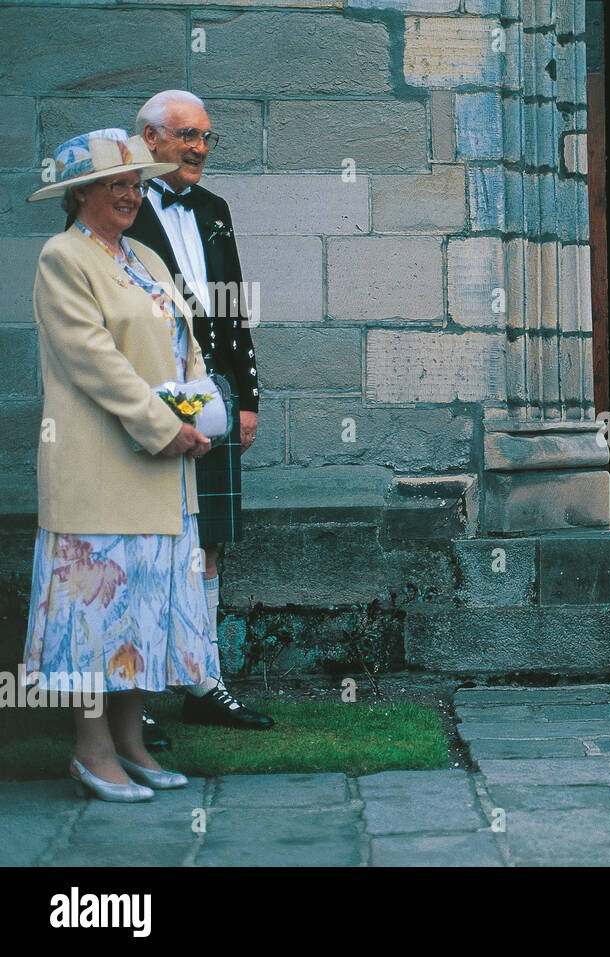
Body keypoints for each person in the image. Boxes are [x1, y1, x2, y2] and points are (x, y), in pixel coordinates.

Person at [24, 127, 216, 800]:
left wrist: (197, 414)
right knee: (93, 617)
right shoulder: (62, 259)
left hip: (164, 469)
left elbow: (185, 342)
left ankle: (132, 742)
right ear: (82, 194)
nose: (131, 194)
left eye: (136, 183)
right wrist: (164, 427)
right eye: (117, 184)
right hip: (100, 469)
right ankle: (91, 748)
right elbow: (95, 359)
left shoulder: (145, 258)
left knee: (143, 614)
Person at [127, 90, 271, 734]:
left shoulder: (214, 209)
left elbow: (234, 304)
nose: (201, 149)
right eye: (188, 135)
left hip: (211, 386)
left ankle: (203, 681)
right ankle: (136, 694)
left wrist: (247, 393)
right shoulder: (121, 207)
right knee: (149, 535)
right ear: (150, 139)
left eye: (207, 136)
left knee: (207, 539)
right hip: (150, 388)